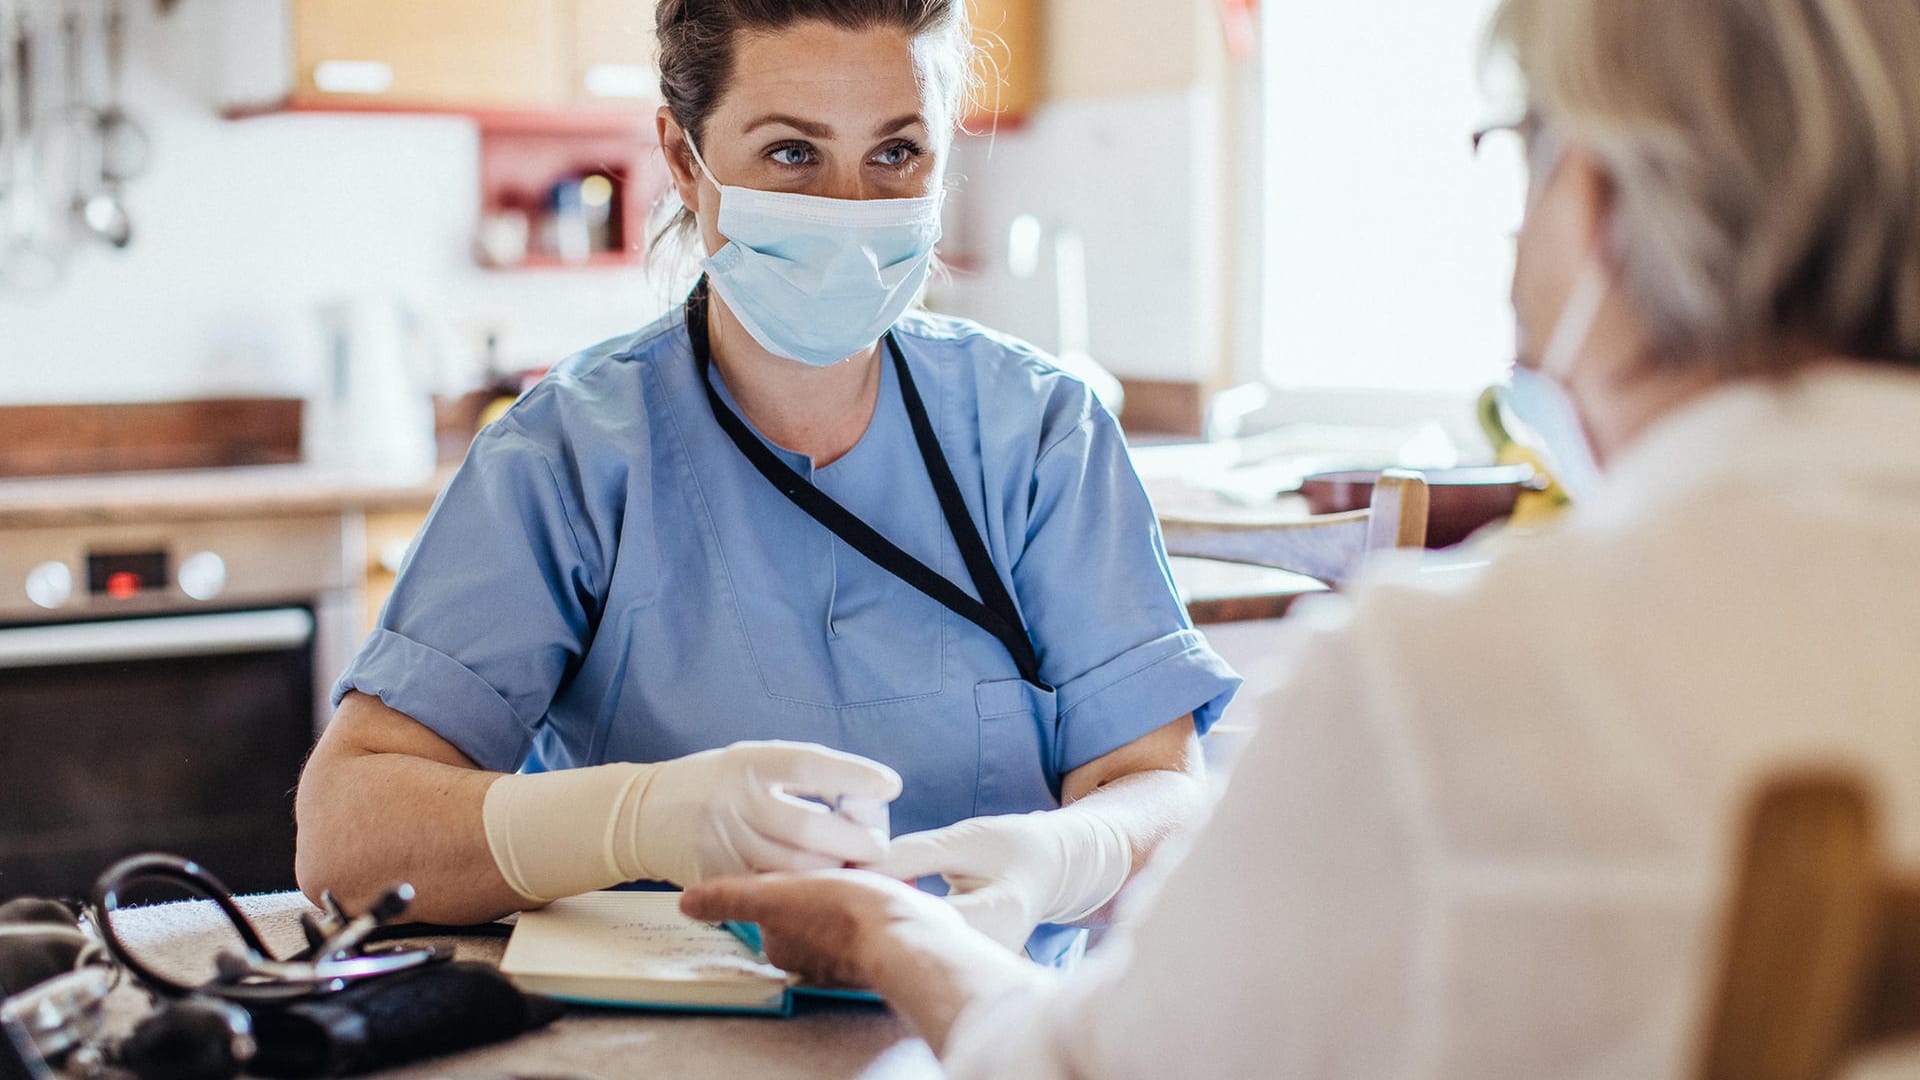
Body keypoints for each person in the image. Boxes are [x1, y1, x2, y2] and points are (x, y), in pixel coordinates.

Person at [678, 0, 1920, 1074]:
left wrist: (898, 936)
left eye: (1520, 153)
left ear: (1591, 196)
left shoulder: (1446, 684)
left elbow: (1085, 1075)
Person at [291, 0, 1240, 961]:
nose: (850, 207)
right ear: (682, 159)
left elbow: (1157, 784)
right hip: (659, 1042)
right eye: (793, 153)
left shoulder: (1040, 435)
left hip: (989, 1027)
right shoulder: (566, 458)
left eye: (897, 153)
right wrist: (635, 817)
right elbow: (349, 839)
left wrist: (1059, 860)